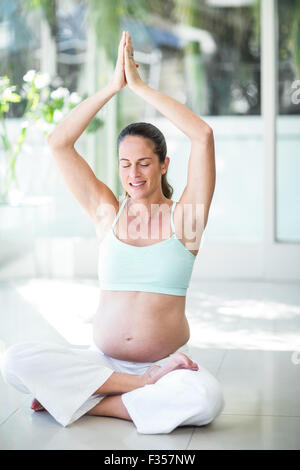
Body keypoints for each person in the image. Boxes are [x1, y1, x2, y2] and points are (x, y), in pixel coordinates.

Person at [0, 31, 224, 434]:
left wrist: (140, 87)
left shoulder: (186, 219)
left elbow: (203, 135)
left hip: (167, 365)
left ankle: (89, 404)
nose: (133, 174)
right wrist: (111, 87)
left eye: (143, 163)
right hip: (101, 363)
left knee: (206, 399)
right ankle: (135, 389)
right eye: (124, 164)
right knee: (14, 360)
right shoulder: (108, 213)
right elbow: (59, 144)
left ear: (163, 164)